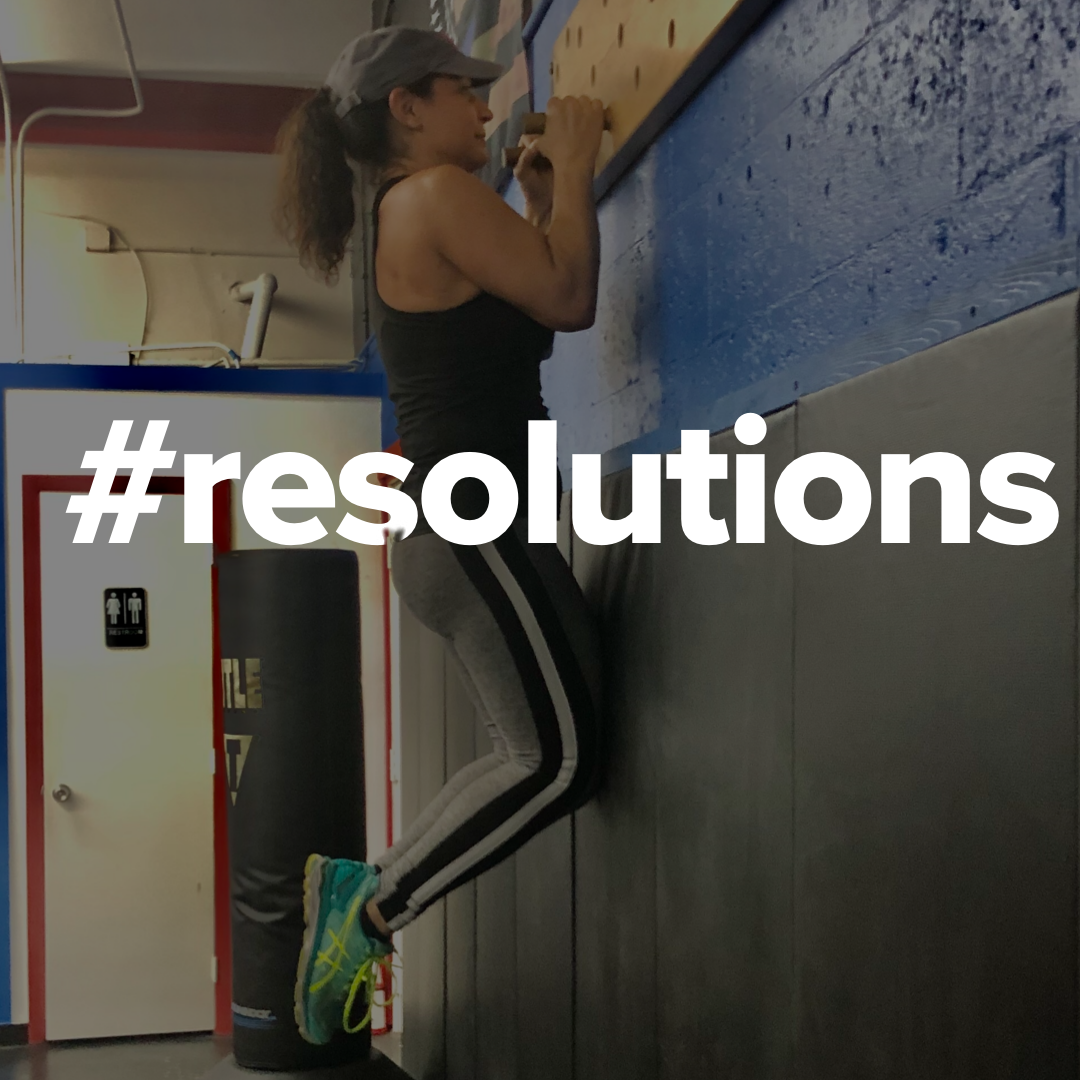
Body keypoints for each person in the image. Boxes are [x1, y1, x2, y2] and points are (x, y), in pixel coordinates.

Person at [273, 25, 605, 1045]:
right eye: (464, 89)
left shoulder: (423, 206)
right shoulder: (432, 196)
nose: (486, 103)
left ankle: (366, 892)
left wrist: (546, 202)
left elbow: (533, 303)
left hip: (463, 524)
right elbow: (571, 298)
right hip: (468, 521)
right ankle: (372, 908)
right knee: (557, 760)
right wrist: (579, 167)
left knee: (549, 750)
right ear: (407, 108)